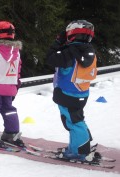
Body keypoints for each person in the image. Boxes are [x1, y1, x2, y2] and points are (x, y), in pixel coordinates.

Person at [46, 20, 97, 161]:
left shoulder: (70, 53)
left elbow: (50, 59)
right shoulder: (88, 50)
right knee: (77, 118)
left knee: (73, 122)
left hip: (67, 93)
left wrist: (57, 42)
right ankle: (81, 145)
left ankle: (79, 151)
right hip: (81, 92)